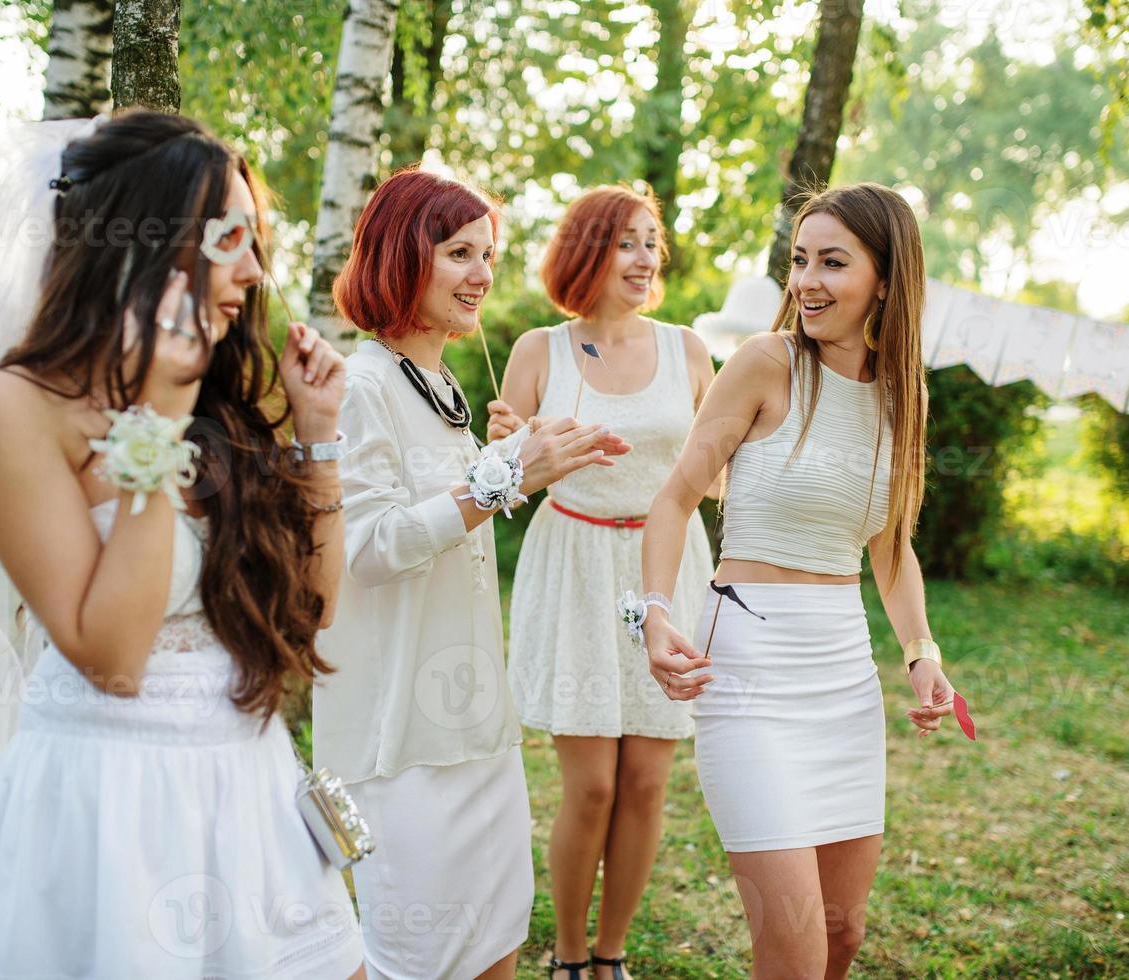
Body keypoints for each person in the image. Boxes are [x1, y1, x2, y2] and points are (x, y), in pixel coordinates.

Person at [0, 110, 366, 980]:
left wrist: (319, 440)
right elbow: (111, 657)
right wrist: (157, 419)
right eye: (231, 240)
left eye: (257, 244)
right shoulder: (12, 409)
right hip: (110, 803)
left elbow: (317, 619)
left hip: (247, 788)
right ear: (144, 240)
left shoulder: (226, 403)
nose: (254, 272)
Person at [312, 167, 630, 980]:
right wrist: (504, 477)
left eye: (487, 254)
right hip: (401, 738)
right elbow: (371, 547)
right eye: (459, 253)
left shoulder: (444, 385)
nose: (483, 275)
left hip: (474, 725)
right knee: (420, 957)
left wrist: (526, 456)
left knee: (495, 945)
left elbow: (447, 520)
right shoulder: (361, 384)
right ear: (398, 255)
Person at [639, 182, 960, 980]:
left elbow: (890, 546)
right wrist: (650, 613)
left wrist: (921, 652)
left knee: (844, 937)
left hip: (843, 676)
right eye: (799, 260)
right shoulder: (763, 363)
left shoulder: (904, 392)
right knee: (794, 945)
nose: (806, 281)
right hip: (749, 668)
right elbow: (676, 498)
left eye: (833, 263)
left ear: (885, 279)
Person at [485, 186, 714, 980]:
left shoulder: (688, 350)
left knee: (647, 782)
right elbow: (495, 485)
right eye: (627, 242)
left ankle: (611, 956)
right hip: (574, 565)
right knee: (590, 787)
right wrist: (516, 450)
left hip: (669, 568)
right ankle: (568, 954)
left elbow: (715, 478)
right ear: (586, 252)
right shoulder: (536, 351)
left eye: (653, 242)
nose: (647, 258)